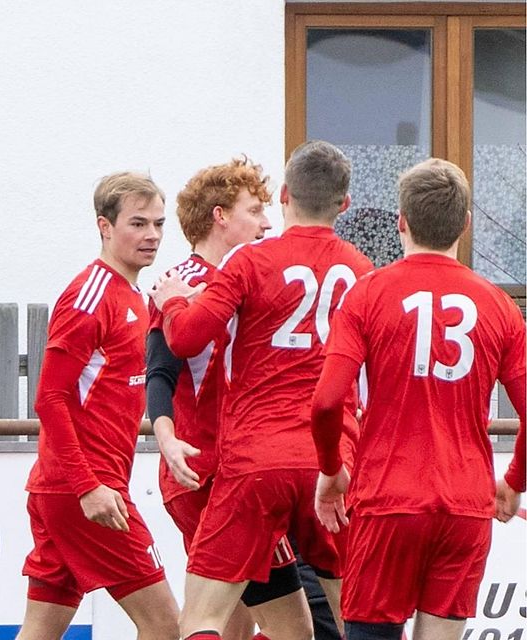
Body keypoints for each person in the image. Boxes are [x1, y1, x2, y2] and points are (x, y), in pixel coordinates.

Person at [150, 140, 373, 640]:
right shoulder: (363, 273)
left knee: (204, 618)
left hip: (254, 461)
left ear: (287, 195)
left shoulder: (248, 262)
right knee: (356, 620)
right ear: (345, 204)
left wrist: (173, 305)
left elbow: (184, 338)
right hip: (330, 465)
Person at [311, 158, 527, 640]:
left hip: (389, 497)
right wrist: (514, 480)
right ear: (466, 224)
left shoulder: (368, 295)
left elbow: (326, 402)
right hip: (465, 503)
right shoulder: (499, 305)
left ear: (402, 221)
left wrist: (330, 471)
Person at [146, 158, 308, 640]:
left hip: (236, 471)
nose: (266, 223)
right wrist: (167, 438)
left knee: (230, 625)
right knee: (293, 630)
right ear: (220, 216)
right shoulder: (184, 282)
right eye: (255, 210)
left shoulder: (250, 277)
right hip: (211, 475)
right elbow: (160, 372)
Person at [17, 172, 180, 640]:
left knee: (40, 631)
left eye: (158, 223)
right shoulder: (90, 294)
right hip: (85, 492)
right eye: (137, 223)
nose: (151, 235)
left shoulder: (134, 296)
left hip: (69, 489)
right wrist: (88, 487)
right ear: (104, 227)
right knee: (166, 626)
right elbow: (49, 397)